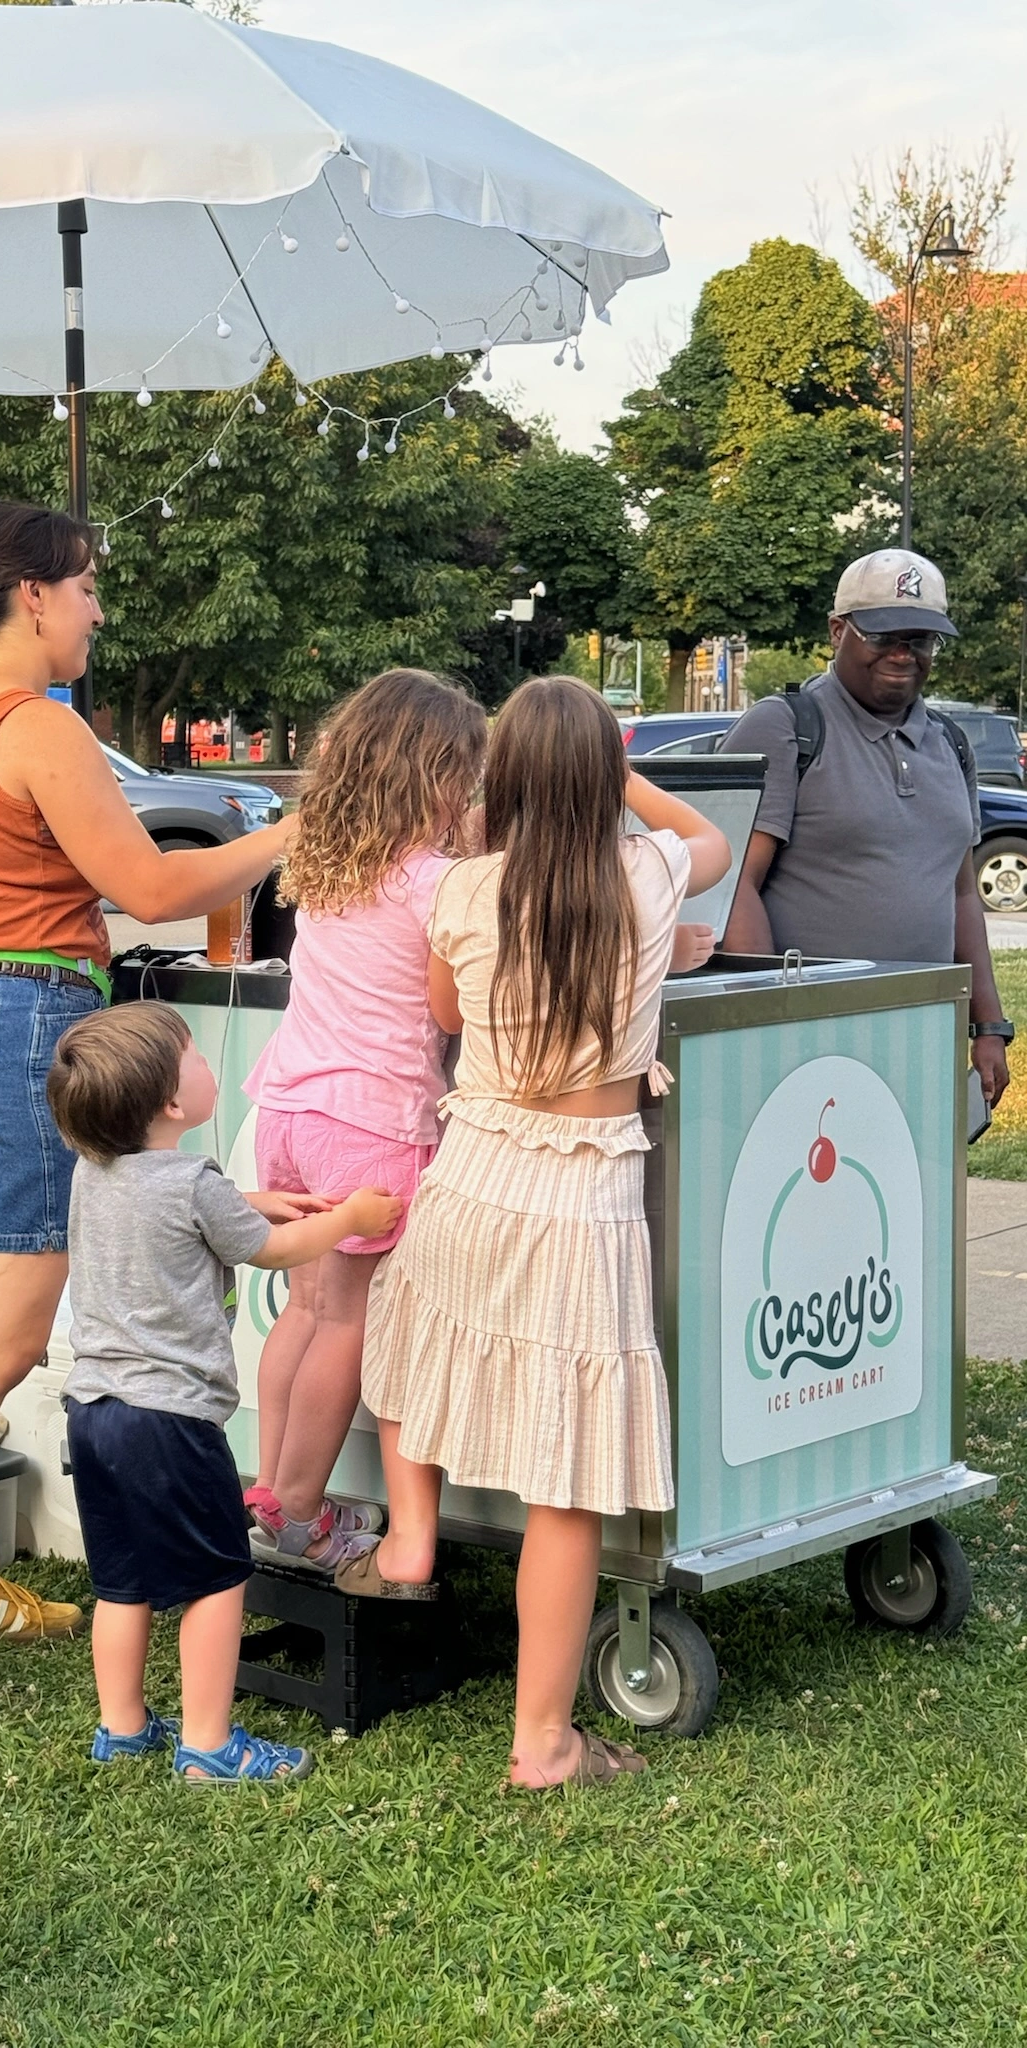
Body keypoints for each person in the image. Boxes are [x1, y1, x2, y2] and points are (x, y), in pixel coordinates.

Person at [0, 501, 296, 1743]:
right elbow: (146, 884)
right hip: (17, 1029)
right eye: (87, 589)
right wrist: (287, 834)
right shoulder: (37, 725)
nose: (97, 611)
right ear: (32, 595)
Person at [353, 676, 731, 1791]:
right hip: (585, 1195)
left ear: (503, 775)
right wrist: (628, 782)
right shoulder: (650, 873)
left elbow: (445, 1014)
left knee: (412, 1345)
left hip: (477, 1165)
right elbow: (703, 834)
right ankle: (543, 1739)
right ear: (603, 777)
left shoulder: (467, 886)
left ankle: (410, 1537)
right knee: (564, 1480)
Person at [46, 1002, 402, 1782]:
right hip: (171, 1422)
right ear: (174, 1104)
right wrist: (348, 1215)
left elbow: (180, 1214)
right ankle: (209, 1746)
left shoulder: (92, 1173)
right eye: (196, 1058)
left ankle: (123, 1726)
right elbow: (273, 1251)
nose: (211, 1068)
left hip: (95, 1413)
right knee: (217, 1581)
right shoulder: (193, 1180)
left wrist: (248, 1201)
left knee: (122, 1583)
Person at [240, 669, 488, 1573]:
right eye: (462, 774)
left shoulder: (326, 864)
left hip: (291, 1108)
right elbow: (452, 1007)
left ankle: (268, 1487)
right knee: (348, 1319)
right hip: (372, 1121)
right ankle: (302, 1514)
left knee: (301, 1309)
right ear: (432, 777)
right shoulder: (436, 881)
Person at [723, 548, 1011, 1109]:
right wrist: (771, 1024)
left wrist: (989, 1024)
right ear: (838, 630)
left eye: (920, 640)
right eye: (884, 636)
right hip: (809, 1042)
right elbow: (732, 884)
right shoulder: (785, 728)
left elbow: (959, 895)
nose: (903, 654)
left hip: (921, 1034)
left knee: (911, 1193)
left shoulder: (951, 743)